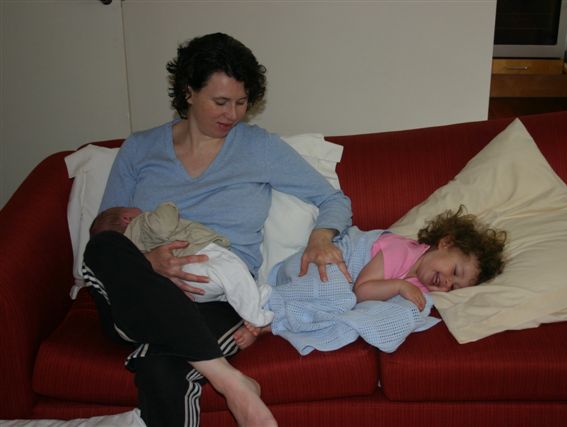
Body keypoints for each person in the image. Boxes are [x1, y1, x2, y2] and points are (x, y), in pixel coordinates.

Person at [82, 32, 352, 427]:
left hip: (216, 296)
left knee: (162, 369)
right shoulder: (140, 149)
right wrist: (147, 262)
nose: (233, 114)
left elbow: (333, 200)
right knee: (103, 247)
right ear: (188, 92)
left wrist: (321, 237)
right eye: (221, 102)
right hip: (138, 291)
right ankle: (231, 382)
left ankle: (194, 357)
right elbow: (108, 230)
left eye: (242, 103)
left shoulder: (259, 148)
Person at [235, 206, 507, 352]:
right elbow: (362, 291)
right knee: (339, 298)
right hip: (322, 266)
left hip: (343, 291)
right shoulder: (401, 249)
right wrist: (399, 286)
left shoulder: (422, 288)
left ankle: (273, 324)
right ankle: (265, 310)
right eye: (455, 272)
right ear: (445, 243)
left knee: (386, 312)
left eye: (455, 286)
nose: (447, 283)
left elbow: (381, 304)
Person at [90, 202, 274, 327]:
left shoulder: (130, 252)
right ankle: (255, 315)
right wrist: (167, 206)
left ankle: (253, 297)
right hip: (195, 256)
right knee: (232, 270)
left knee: (224, 285)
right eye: (129, 208)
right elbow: (162, 227)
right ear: (126, 219)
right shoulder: (141, 223)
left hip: (185, 285)